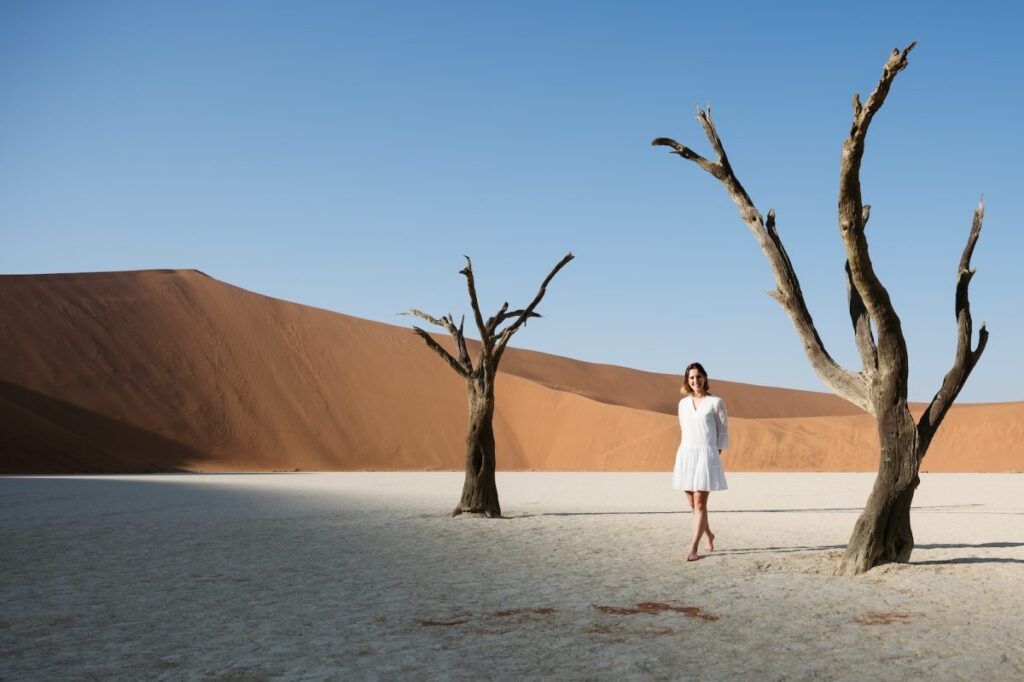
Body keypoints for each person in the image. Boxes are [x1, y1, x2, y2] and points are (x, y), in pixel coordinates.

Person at [672, 361, 728, 561]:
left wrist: (713, 455)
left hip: (706, 455)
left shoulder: (716, 403)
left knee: (700, 504)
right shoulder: (683, 404)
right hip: (686, 454)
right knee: (693, 505)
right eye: (691, 378)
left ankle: (693, 548)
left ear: (705, 378)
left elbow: (722, 432)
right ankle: (709, 534)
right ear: (687, 381)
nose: (695, 380)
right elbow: (684, 429)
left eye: (698, 376)